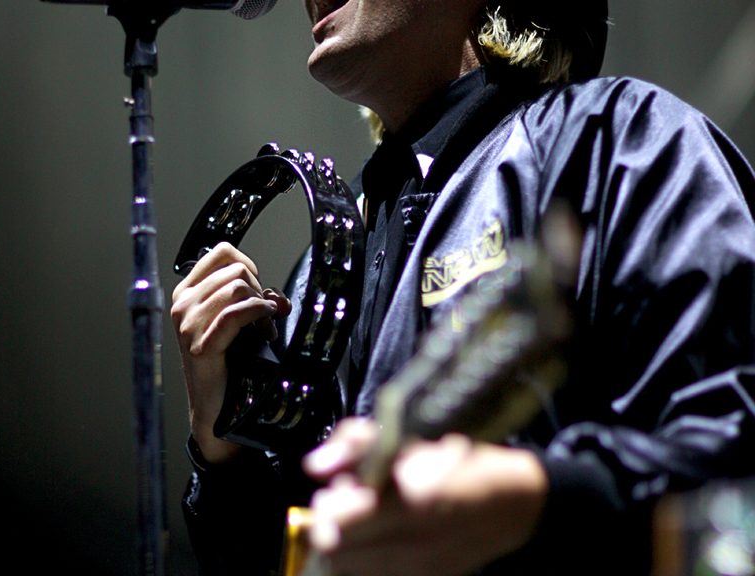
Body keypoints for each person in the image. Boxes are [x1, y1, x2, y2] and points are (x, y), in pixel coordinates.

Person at [170, 1, 755, 575]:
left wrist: (533, 500)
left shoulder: (620, 141)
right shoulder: (324, 266)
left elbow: (733, 462)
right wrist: (225, 454)